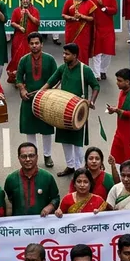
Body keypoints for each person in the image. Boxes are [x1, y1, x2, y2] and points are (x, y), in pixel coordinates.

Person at [39, 44, 99, 176]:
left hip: (78, 112)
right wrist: (39, 93)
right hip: (62, 111)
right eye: (64, 53)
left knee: (77, 143)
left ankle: (80, 170)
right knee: (65, 140)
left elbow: (96, 86)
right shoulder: (62, 68)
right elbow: (50, 81)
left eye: (67, 54)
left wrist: (92, 101)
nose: (64, 56)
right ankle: (70, 166)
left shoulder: (85, 70)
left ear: (75, 55)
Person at [15, 32, 57, 169]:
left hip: (46, 100)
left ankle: (47, 156)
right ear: (29, 45)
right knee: (30, 130)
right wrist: (22, 90)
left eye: (37, 43)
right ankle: (32, 157)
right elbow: (19, 79)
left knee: (46, 130)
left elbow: (56, 79)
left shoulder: (50, 60)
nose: (34, 46)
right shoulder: (24, 60)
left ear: (42, 44)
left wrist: (49, 93)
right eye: (32, 43)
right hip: (29, 100)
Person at [4, 143, 60, 217]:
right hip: (19, 223)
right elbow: (10, 198)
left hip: (42, 221)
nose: (27, 159)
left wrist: (49, 207)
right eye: (23, 156)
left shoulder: (47, 177)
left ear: (37, 157)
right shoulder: (11, 179)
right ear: (18, 158)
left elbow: (55, 198)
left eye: (31, 156)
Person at [107, 68, 130, 165]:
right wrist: (115, 110)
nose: (117, 83)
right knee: (114, 159)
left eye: (120, 81)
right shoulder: (122, 92)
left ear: (128, 82)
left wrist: (118, 111)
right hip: (120, 132)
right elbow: (122, 109)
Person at [7, 0, 40, 83]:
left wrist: (28, 14)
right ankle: (17, 78)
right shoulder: (16, 11)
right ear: (21, 1)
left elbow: (37, 22)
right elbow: (12, 22)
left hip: (31, 39)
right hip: (19, 37)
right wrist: (19, 27)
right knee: (17, 57)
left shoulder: (34, 10)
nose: (25, 1)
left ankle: (29, 78)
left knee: (30, 58)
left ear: (30, 0)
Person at [90, 0, 118, 80]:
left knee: (107, 51)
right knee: (96, 52)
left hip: (107, 28)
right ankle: (96, 74)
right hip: (96, 27)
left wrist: (104, 7)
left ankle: (103, 71)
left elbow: (114, 10)